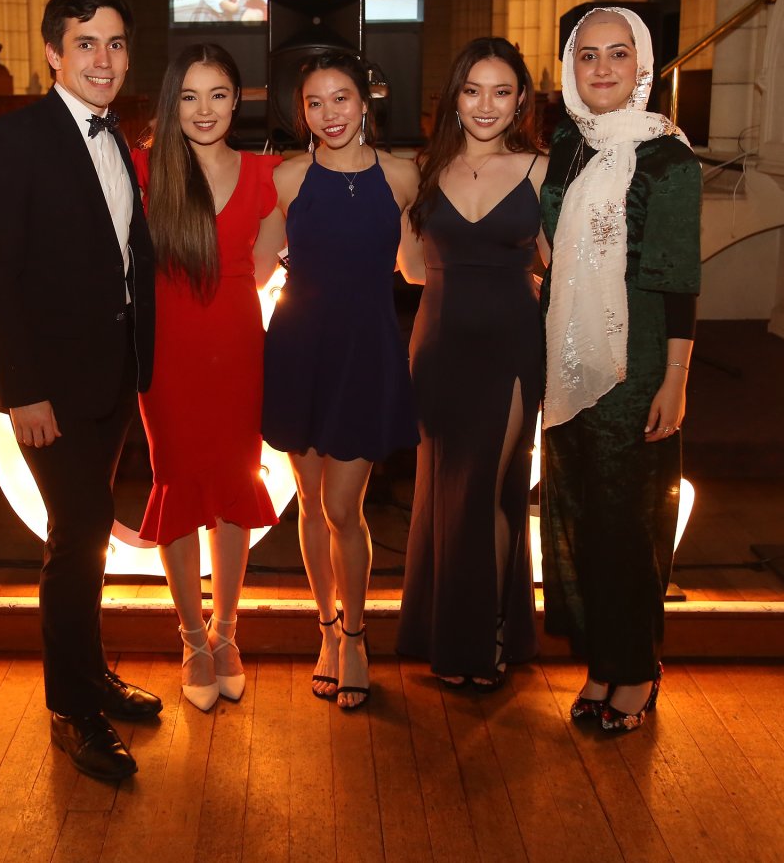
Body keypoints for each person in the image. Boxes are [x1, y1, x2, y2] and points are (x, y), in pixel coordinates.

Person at [0, 0, 160, 782]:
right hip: (48, 386)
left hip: (110, 377)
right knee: (75, 536)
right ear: (52, 53)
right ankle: (71, 710)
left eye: (115, 43)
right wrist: (23, 390)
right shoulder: (12, 141)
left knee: (89, 532)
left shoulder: (119, 138)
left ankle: (91, 676)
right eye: (85, 43)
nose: (102, 59)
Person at [539, 6, 701, 734]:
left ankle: (636, 670)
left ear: (643, 66)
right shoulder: (568, 143)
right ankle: (601, 661)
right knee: (578, 511)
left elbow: (679, 277)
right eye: (587, 55)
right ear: (570, 67)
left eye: (618, 53)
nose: (602, 68)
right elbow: (550, 243)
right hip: (566, 355)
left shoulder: (667, 158)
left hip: (637, 361)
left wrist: (676, 378)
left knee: (627, 521)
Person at [262, 51, 419, 710]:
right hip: (299, 349)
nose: (329, 113)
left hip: (365, 354)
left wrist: (508, 267)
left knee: (342, 508)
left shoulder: (402, 175)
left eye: (341, 99)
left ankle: (356, 635)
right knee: (307, 499)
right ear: (302, 113)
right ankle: (325, 628)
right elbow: (253, 265)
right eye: (315, 103)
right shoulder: (288, 178)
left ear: (365, 101)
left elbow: (418, 267)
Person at [133, 44, 286, 712]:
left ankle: (227, 633)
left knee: (232, 484)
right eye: (190, 96)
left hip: (237, 347)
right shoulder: (144, 169)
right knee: (177, 485)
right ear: (173, 103)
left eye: (218, 94)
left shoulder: (265, 174)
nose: (204, 110)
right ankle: (191, 637)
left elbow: (261, 266)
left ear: (237, 100)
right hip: (167, 352)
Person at [397, 37, 548, 691]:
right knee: (448, 491)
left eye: (501, 92)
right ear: (453, 97)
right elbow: (410, 267)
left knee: (488, 485)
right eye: (473, 90)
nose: (486, 105)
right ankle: (454, 632)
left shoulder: (542, 171)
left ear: (521, 101)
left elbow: (560, 265)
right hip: (439, 347)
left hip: (511, 345)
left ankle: (486, 630)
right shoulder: (423, 170)